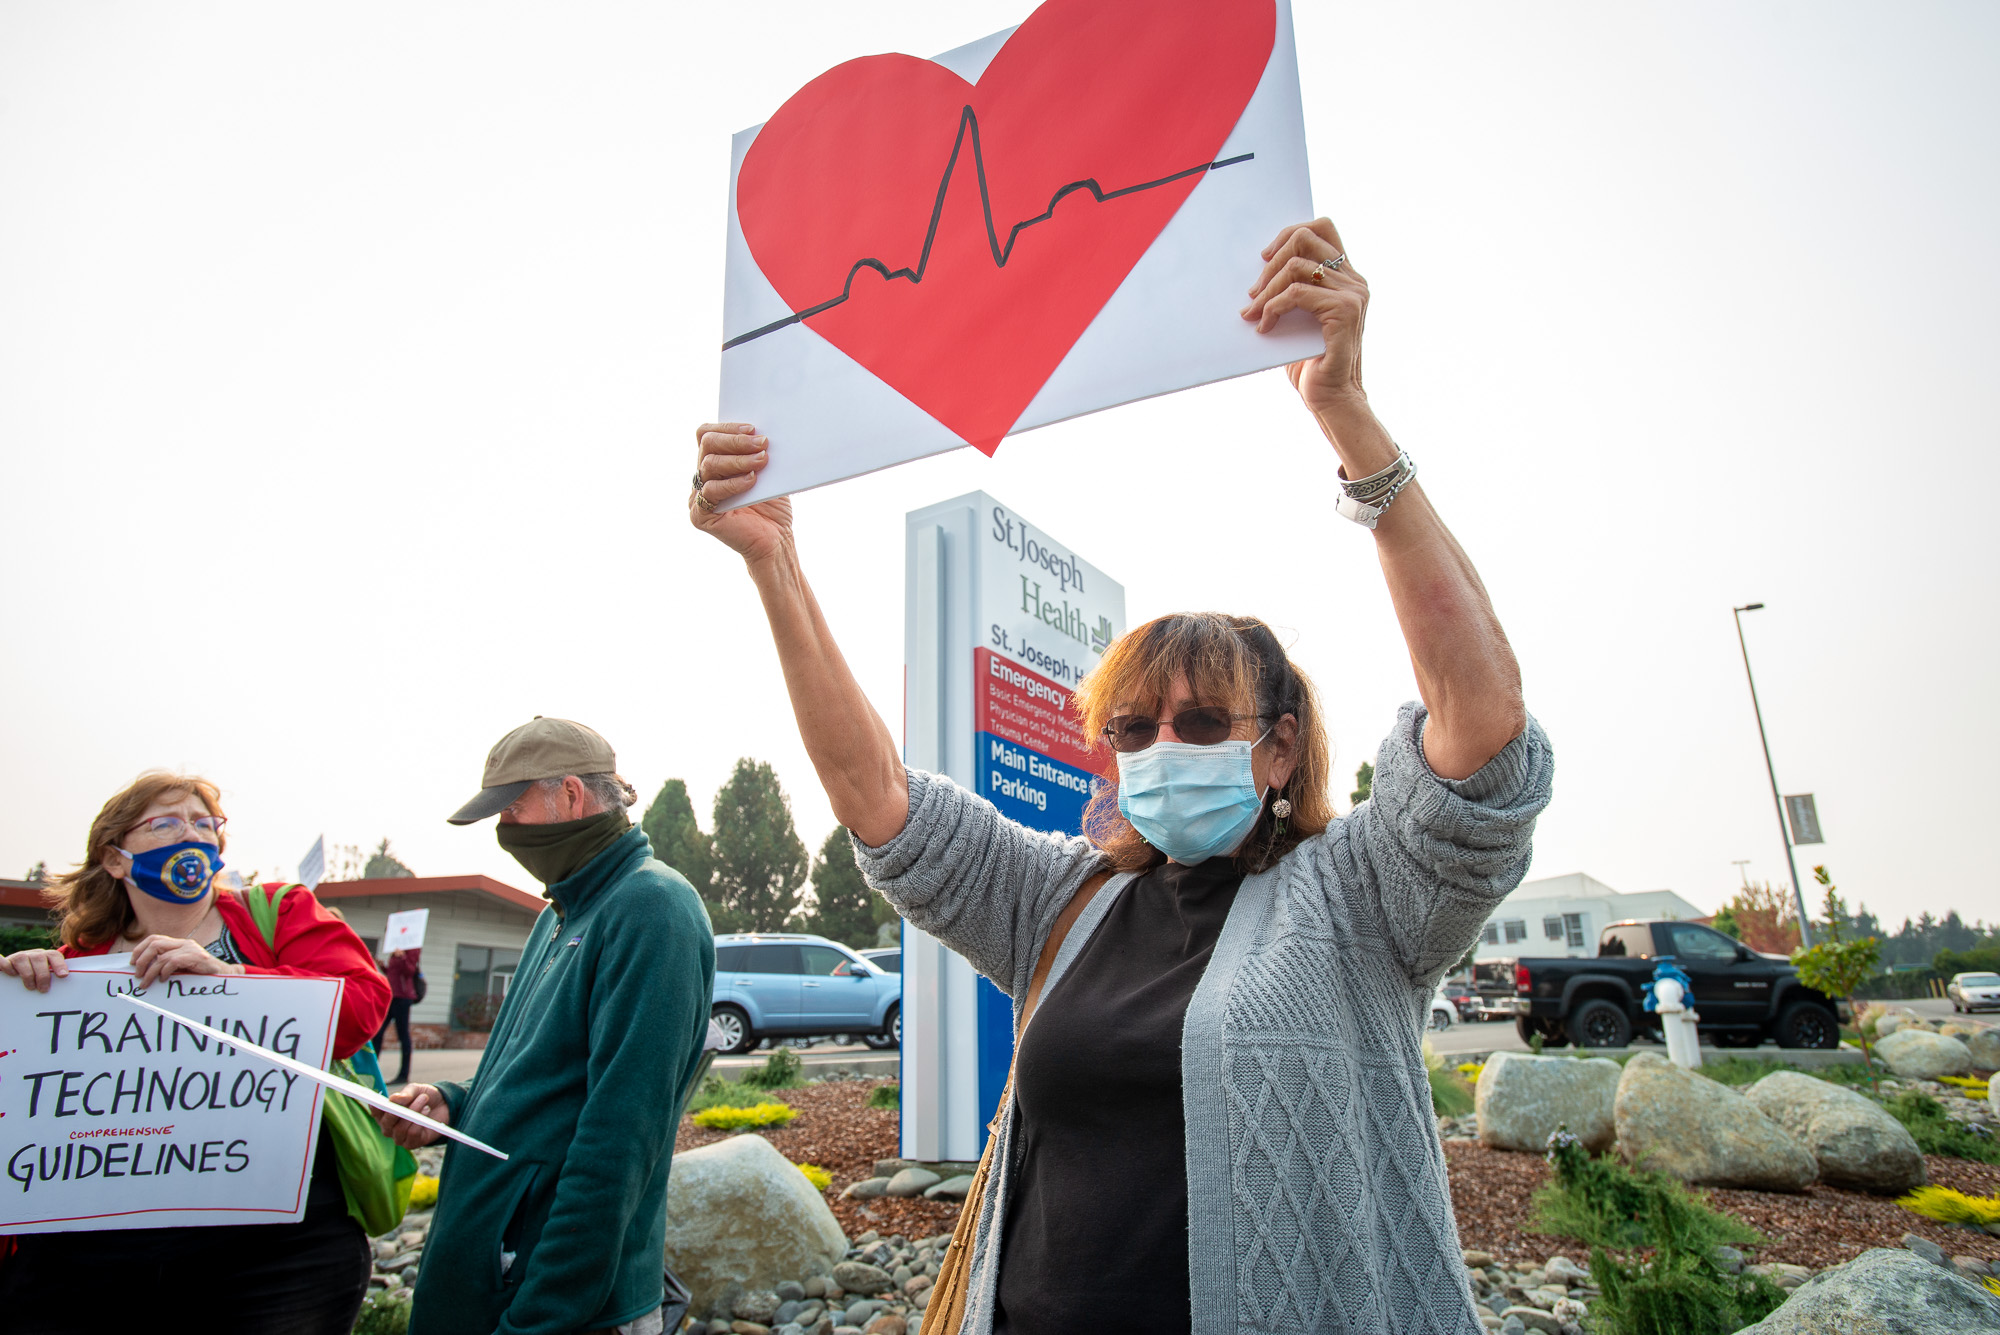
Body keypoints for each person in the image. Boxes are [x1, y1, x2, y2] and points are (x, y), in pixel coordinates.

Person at [688, 217, 1554, 1335]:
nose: (1158, 747)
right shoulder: (1062, 902)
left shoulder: (1365, 898)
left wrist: (1346, 418)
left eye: (1200, 721)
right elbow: (878, 803)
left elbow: (1481, 728)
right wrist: (775, 563)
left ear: (1279, 746)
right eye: (1132, 726)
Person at [0, 770, 390, 1334]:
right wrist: (19, 998)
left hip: (275, 1254)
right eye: (167, 822)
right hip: (92, 1264)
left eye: (206, 823)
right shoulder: (73, 971)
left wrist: (233, 980)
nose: (195, 835)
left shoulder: (277, 913)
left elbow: (361, 1007)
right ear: (114, 859)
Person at [374, 717, 715, 1335]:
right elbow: (535, 1079)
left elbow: (620, 1139)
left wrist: (544, 1316)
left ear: (571, 795)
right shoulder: (557, 914)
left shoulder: (650, 908)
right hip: (496, 1283)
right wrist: (454, 1102)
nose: (503, 832)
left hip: (557, 1308)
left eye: (512, 809)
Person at [376, 946, 421, 1085]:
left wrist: (401, 956)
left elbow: (410, 971)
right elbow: (393, 973)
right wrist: (383, 966)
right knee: (377, 1033)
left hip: (403, 998)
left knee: (403, 1036)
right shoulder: (395, 950)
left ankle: (403, 1075)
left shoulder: (412, 948)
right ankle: (371, 1069)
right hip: (391, 996)